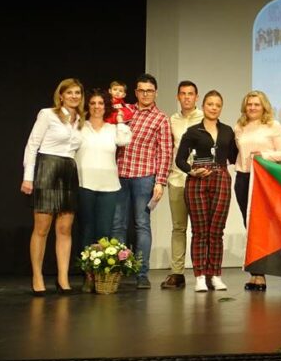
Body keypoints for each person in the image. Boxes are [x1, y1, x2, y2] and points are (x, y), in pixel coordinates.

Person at [22, 78, 84, 295]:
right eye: (70, 93)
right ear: (61, 95)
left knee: (65, 228)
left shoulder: (80, 120)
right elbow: (32, 145)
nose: (74, 96)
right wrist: (28, 177)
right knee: (42, 228)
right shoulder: (47, 114)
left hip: (68, 170)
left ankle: (63, 278)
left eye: (77, 93)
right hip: (47, 168)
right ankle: (37, 276)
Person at [110, 74, 173, 289]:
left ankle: (141, 274)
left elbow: (165, 152)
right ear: (136, 92)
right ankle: (115, 271)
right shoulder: (124, 111)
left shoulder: (161, 118)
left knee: (142, 225)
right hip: (119, 174)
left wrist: (160, 181)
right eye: (141, 90)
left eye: (149, 90)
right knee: (117, 225)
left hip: (145, 177)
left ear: (156, 93)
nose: (145, 94)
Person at [176, 91, 238, 292]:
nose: (214, 108)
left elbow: (234, 157)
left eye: (218, 105)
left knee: (217, 230)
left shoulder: (227, 131)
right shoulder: (193, 131)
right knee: (200, 230)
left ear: (221, 108)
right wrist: (191, 171)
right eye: (210, 104)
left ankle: (215, 275)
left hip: (221, 179)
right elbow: (180, 159)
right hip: (197, 181)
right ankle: (200, 276)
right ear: (203, 106)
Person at [76, 88, 132, 291]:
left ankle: (101, 276)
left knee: (104, 233)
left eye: (100, 103)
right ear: (87, 106)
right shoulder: (80, 127)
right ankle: (88, 275)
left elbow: (125, 140)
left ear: (105, 106)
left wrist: (120, 120)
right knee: (87, 230)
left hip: (109, 185)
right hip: (85, 183)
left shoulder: (112, 129)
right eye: (93, 103)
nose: (97, 107)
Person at [234, 90, 281, 291]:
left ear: (264, 106)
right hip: (243, 177)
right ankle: (255, 273)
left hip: (264, 179)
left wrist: (263, 155)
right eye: (249, 104)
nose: (252, 108)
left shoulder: (273, 125)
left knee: (262, 226)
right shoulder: (239, 126)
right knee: (248, 224)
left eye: (256, 104)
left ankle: (261, 273)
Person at [162, 81, 203, 290]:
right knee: (178, 227)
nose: (187, 97)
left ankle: (202, 273)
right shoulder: (172, 120)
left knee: (200, 228)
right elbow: (168, 149)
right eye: (183, 94)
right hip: (177, 178)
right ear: (178, 97)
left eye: (190, 94)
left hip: (200, 180)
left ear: (197, 97)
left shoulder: (205, 118)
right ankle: (177, 273)